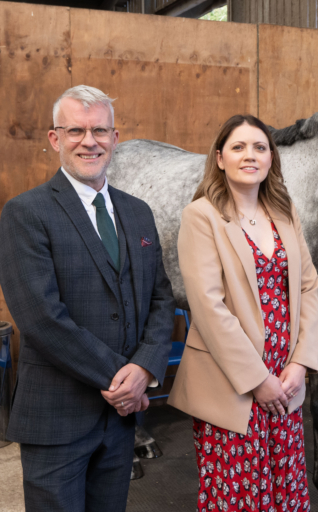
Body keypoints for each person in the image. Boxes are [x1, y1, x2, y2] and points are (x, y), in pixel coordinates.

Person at [0, 85, 175, 511]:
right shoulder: (27, 213)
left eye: (100, 130)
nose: (89, 141)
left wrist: (146, 367)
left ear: (115, 139)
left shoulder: (138, 212)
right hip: (58, 417)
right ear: (55, 139)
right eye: (76, 130)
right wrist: (125, 381)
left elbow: (161, 299)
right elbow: (42, 319)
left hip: (119, 424)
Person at [168, 114, 318, 511]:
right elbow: (208, 307)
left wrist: (300, 364)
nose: (249, 155)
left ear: (271, 158)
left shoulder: (285, 214)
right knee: (238, 496)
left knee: (284, 487)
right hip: (233, 382)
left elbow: (308, 287)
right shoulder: (200, 216)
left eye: (259, 147)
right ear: (220, 158)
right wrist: (257, 380)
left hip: (285, 380)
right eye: (238, 147)